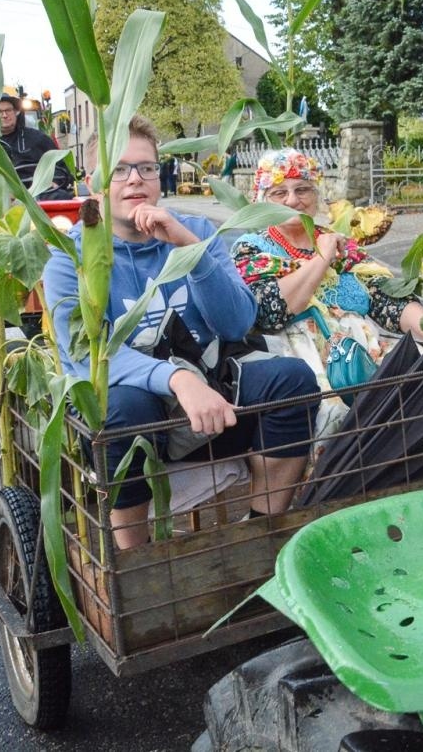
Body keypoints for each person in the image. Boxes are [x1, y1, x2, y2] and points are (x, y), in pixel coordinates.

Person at [42, 114, 319, 549]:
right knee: (123, 411)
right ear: (93, 183)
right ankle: (135, 558)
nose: (135, 179)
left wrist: (189, 248)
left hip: (208, 391)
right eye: (119, 170)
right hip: (138, 404)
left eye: (146, 167)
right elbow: (86, 355)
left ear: (159, 176)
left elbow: (236, 323)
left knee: (293, 380)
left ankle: (260, 532)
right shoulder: (68, 259)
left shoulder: (198, 231)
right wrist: (176, 379)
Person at [231, 150, 423, 391]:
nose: (292, 200)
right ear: (262, 201)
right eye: (279, 193)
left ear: (316, 195)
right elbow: (269, 313)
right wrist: (321, 258)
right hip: (302, 372)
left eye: (302, 189)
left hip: (364, 359)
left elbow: (387, 297)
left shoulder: (341, 244)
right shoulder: (251, 249)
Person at [0, 94, 73, 198]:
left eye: (8, 110)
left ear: (16, 112)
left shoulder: (38, 139)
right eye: (0, 112)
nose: (4, 115)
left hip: (38, 193)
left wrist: (55, 181)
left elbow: (60, 167)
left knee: (61, 196)